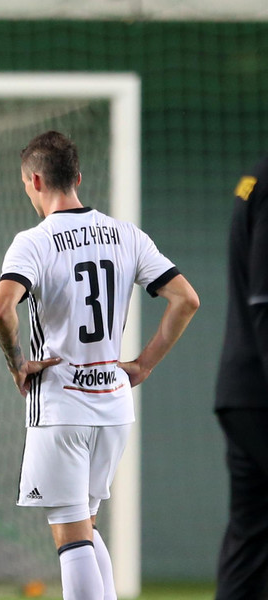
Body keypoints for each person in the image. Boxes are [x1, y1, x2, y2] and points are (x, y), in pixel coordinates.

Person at [0, 131, 198, 600]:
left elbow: (2, 309)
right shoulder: (127, 235)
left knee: (69, 533)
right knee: (85, 523)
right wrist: (143, 365)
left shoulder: (34, 241)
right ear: (78, 178)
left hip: (63, 404)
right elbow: (186, 299)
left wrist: (17, 364)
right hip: (113, 404)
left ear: (35, 180)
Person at [215, 154, 268, 599]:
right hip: (260, 393)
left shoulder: (255, 176)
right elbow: (264, 300)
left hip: (244, 389)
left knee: (251, 539)